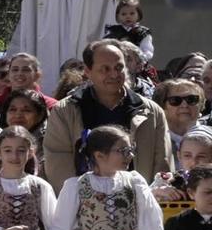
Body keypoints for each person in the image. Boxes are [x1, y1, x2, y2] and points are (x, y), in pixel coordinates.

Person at [43, 40, 171, 188]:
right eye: (105, 69)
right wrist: (82, 197)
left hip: (140, 197)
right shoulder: (64, 111)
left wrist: (147, 195)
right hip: (83, 199)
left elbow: (162, 164)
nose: (114, 74)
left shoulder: (151, 112)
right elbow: (58, 165)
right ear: (88, 71)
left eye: (119, 67)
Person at [155, 78, 205, 163]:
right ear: (161, 106)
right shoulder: (153, 140)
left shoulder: (209, 135)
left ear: (201, 104)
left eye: (191, 99)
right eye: (175, 100)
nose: (184, 105)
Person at [103, 0, 156, 67]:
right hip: (116, 65)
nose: (128, 16)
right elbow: (105, 48)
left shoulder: (143, 33)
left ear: (138, 14)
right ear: (118, 16)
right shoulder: (114, 31)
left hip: (137, 66)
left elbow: (148, 52)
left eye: (132, 13)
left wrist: (139, 60)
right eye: (123, 14)